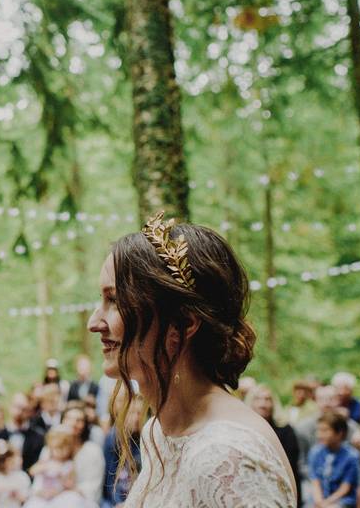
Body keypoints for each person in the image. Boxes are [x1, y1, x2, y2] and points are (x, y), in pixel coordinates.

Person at [87, 214, 296, 506]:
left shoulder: (230, 458)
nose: (94, 322)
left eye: (115, 301)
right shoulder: (158, 432)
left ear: (183, 324)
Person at [246, 385, 302, 506]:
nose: (263, 404)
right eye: (258, 399)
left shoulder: (285, 430)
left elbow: (291, 465)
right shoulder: (243, 429)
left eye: (267, 399)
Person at [24, 426, 92, 508]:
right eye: (57, 448)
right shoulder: (46, 461)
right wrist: (44, 468)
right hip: (43, 493)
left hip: (59, 494)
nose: (61, 452)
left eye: (64, 448)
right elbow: (32, 471)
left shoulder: (69, 464)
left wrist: (61, 476)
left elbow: (70, 483)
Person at [308, 412, 360, 507]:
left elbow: (345, 487)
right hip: (320, 498)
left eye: (325, 431)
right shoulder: (315, 452)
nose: (319, 435)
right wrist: (319, 501)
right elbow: (315, 481)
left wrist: (326, 503)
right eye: (318, 430)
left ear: (339, 433)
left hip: (341, 500)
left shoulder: (352, 456)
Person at [61, 405, 105, 503]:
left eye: (79, 420)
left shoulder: (93, 451)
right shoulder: (50, 448)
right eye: (69, 418)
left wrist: (72, 490)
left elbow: (94, 486)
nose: (73, 423)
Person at [0, 440, 31, 508]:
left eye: (11, 459)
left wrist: (16, 494)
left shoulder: (21, 476)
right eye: (3, 460)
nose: (8, 463)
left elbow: (26, 498)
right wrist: (0, 490)